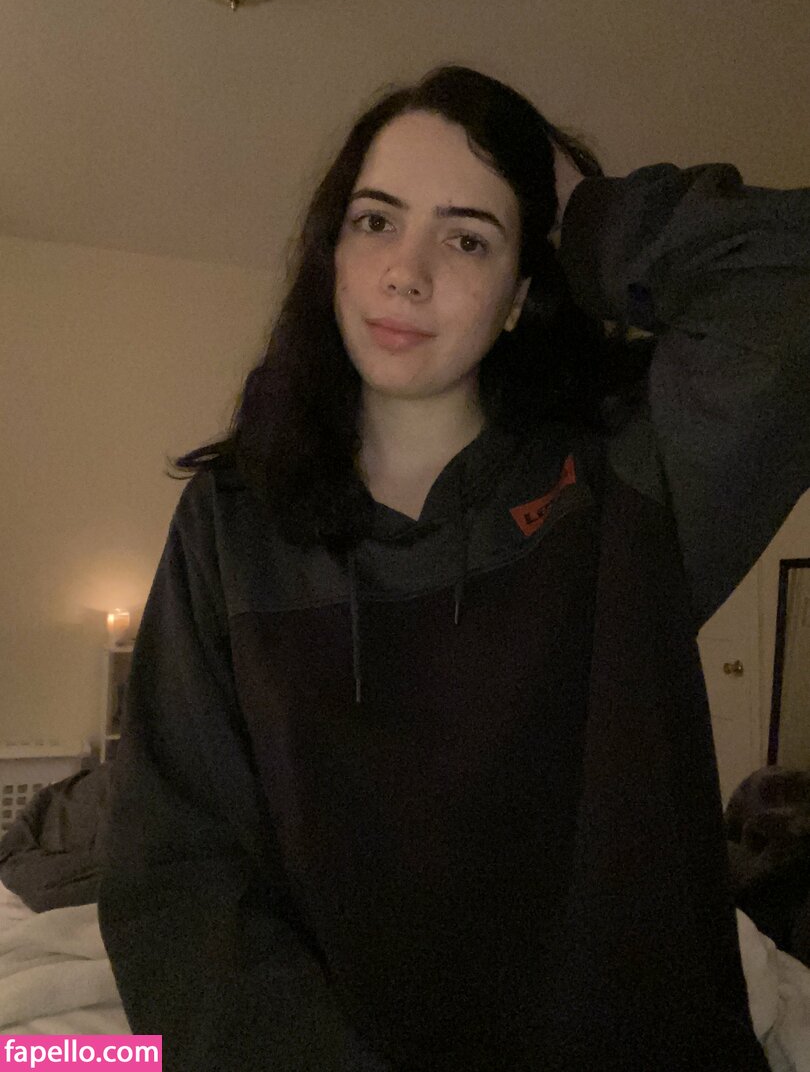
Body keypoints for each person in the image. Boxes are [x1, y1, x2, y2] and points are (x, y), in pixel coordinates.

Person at [98, 64, 809, 1071]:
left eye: (467, 237)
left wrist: (591, 212)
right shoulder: (231, 525)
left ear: (521, 294)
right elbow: (178, 873)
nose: (407, 272)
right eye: (375, 222)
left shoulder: (627, 475)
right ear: (332, 253)